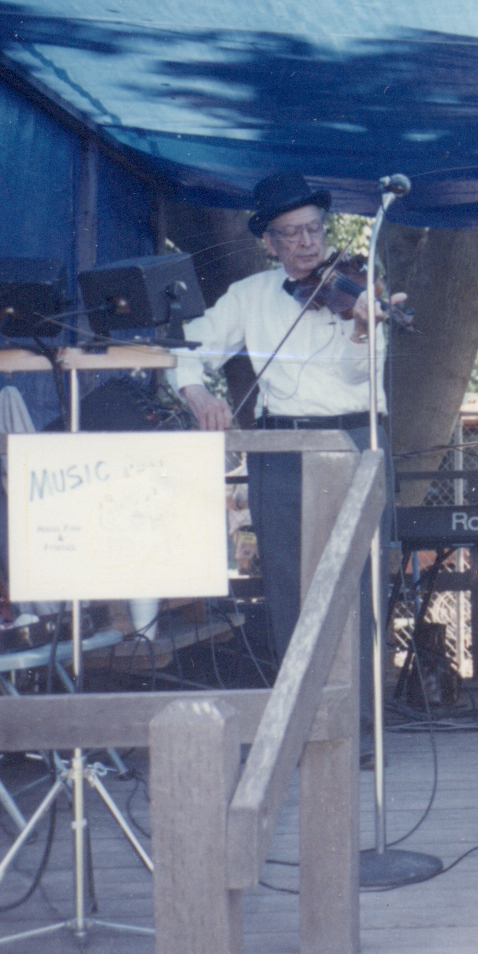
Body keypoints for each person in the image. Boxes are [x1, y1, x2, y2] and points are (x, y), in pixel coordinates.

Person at [170, 170, 405, 725]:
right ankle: (301, 723)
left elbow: (356, 379)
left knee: (360, 582)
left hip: (354, 437)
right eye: (292, 234)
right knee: (286, 583)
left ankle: (361, 726)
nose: (307, 244)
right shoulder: (249, 296)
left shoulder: (359, 287)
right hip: (280, 446)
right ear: (268, 242)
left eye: (314, 230)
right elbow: (182, 347)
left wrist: (364, 328)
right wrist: (200, 395)